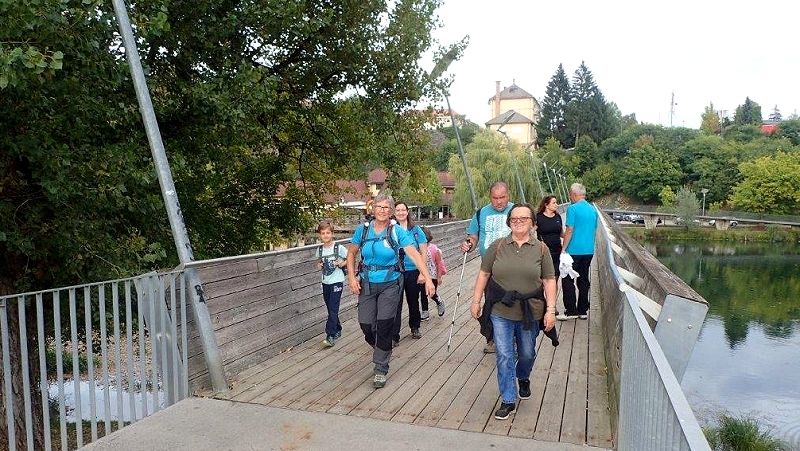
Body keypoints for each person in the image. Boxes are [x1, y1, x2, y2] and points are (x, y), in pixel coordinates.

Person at [469, 204, 557, 420]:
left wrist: (551, 310)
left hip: (530, 311)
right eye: (514, 219)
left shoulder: (541, 249)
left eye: (523, 218)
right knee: (505, 355)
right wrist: (476, 300)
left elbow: (549, 280)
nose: (518, 222)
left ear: (533, 223)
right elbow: (483, 274)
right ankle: (508, 399)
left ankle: (523, 376)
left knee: (527, 353)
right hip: (500, 309)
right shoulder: (498, 246)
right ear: (509, 222)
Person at [346, 192, 436, 389]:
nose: (382, 210)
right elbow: (351, 253)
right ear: (373, 208)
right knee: (366, 325)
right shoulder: (362, 230)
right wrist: (351, 278)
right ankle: (382, 347)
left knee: (385, 325)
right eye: (379, 206)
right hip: (367, 283)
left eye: (386, 207)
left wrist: (428, 279)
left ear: (392, 211)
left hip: (390, 283)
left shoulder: (396, 231)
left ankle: (381, 367)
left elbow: (414, 255)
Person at [460, 181, 514, 353]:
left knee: (513, 303)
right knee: (491, 303)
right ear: (490, 197)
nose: (499, 201)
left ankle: (512, 338)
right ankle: (492, 338)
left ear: (508, 195)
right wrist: (469, 243)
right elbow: (474, 236)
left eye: (502, 197)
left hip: (513, 268)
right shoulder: (481, 213)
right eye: (495, 198)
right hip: (489, 268)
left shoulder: (516, 211)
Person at [559, 183, 598, 321]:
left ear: (574, 194)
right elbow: (594, 230)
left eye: (570, 194)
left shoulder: (572, 209)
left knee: (567, 279)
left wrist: (563, 249)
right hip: (588, 251)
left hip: (573, 251)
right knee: (583, 279)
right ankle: (583, 310)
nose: (570, 197)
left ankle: (571, 311)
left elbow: (569, 230)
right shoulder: (593, 210)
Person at [392, 202, 428, 343]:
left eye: (403, 210)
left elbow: (423, 251)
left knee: (413, 300)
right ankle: (394, 335)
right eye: (398, 210)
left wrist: (422, 272)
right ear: (394, 212)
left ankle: (415, 326)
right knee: (396, 303)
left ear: (407, 212)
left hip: (413, 270)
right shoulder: (390, 229)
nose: (401, 212)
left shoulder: (415, 230)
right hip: (396, 272)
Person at [316, 221, 348, 347]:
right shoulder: (319, 250)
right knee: (330, 307)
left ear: (332, 234)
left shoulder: (338, 248)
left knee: (333, 308)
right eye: (323, 233)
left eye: (328, 233)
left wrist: (342, 263)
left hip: (337, 281)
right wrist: (319, 266)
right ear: (320, 235)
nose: (326, 235)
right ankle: (338, 328)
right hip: (325, 282)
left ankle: (330, 335)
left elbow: (350, 257)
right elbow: (319, 263)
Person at [536, 195, 564, 315]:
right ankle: (541, 305)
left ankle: (552, 305)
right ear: (546, 205)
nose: (556, 205)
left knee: (554, 279)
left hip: (557, 252)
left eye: (557, 203)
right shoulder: (538, 217)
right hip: (543, 253)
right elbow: (531, 231)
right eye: (554, 203)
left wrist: (571, 236)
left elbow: (561, 233)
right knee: (542, 280)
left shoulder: (558, 217)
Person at [419, 227, 446, 320]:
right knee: (423, 293)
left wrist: (439, 277)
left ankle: (439, 301)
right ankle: (425, 312)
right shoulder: (417, 248)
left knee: (431, 293)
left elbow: (439, 263)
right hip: (422, 275)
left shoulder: (434, 249)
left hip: (433, 275)